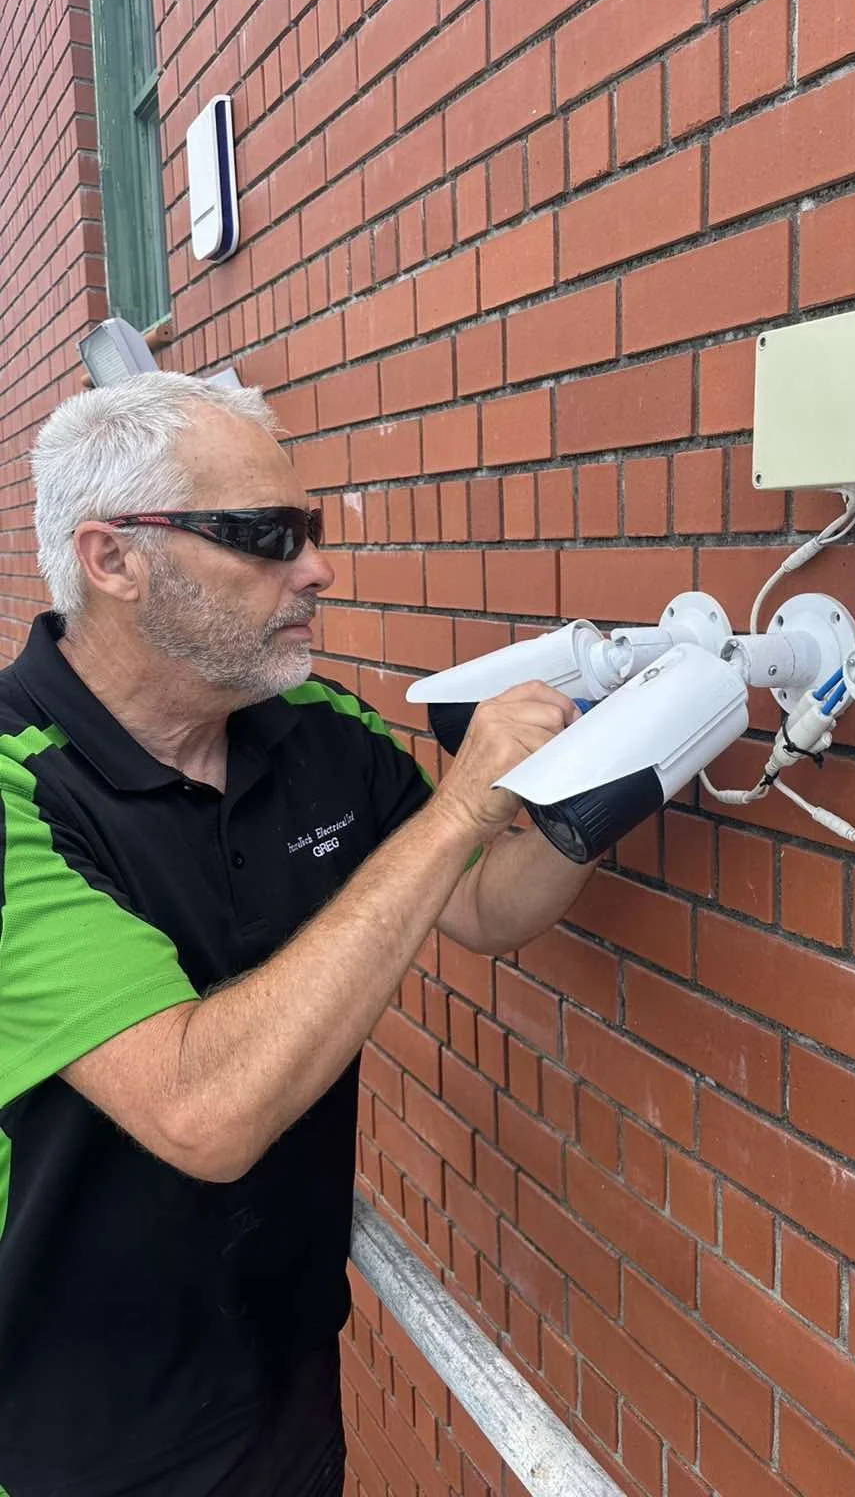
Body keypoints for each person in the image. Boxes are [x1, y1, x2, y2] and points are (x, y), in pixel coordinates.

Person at [0, 372, 593, 1496]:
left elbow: (482, 907)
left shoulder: (314, 731)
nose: (315, 568)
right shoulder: (17, 792)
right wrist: (465, 801)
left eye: (309, 531)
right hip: (68, 1433)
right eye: (266, 535)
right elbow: (202, 1109)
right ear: (113, 559)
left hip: (282, 1384)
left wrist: (615, 780)